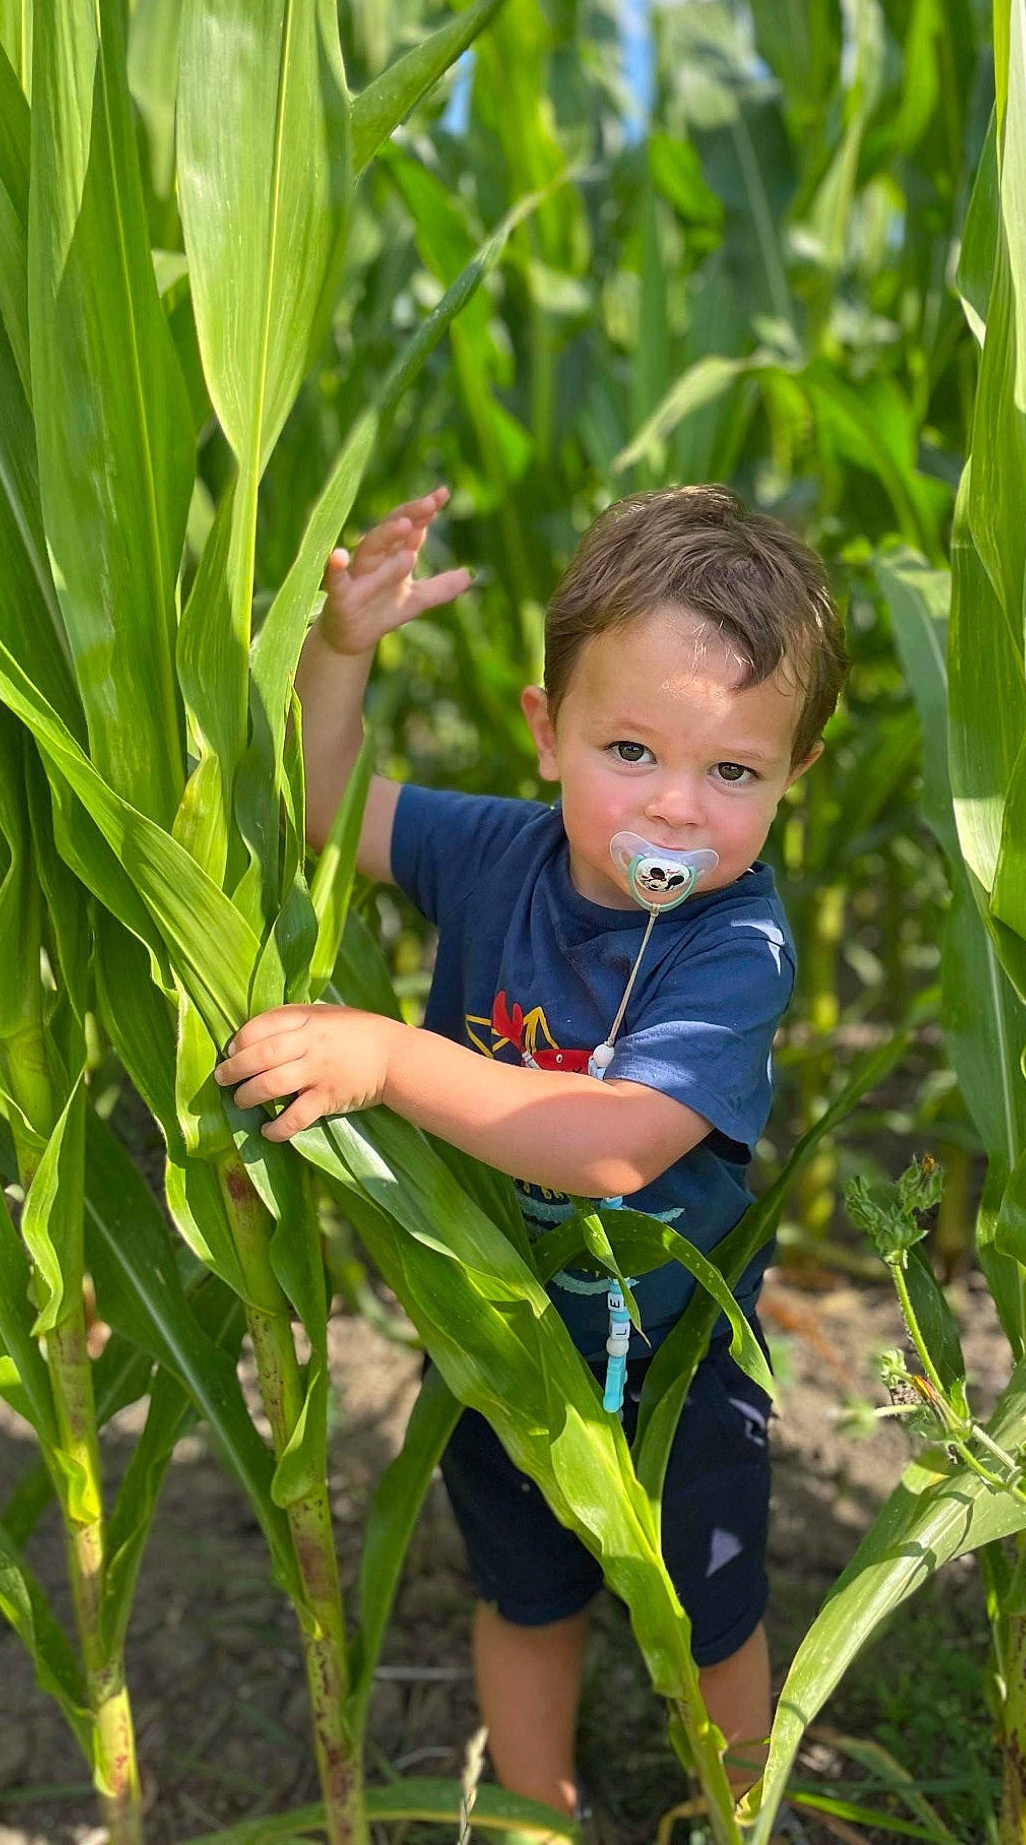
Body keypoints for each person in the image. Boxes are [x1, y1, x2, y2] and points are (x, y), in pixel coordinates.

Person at [216, 482, 848, 1817]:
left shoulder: (736, 949)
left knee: (712, 1611)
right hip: (499, 1340)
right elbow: (327, 804)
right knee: (526, 1595)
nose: (677, 811)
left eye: (732, 772)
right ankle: (534, 1805)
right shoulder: (499, 853)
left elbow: (616, 1147)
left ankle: (736, 1808)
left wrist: (386, 1056)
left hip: (674, 1360)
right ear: (547, 731)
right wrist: (340, 653)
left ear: (794, 778)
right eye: (632, 752)